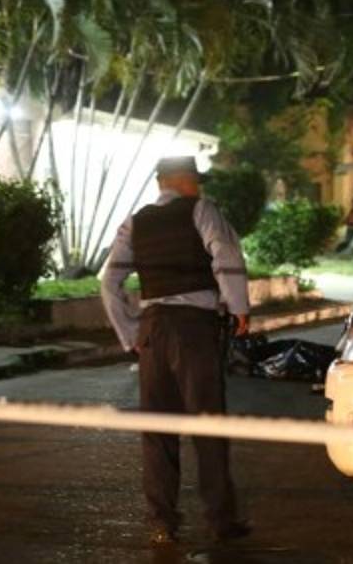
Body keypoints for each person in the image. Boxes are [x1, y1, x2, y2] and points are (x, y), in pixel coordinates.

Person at [100, 156, 252, 547]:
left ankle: (162, 522)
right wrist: (239, 308)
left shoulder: (135, 222)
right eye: (195, 180)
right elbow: (226, 256)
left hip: (153, 329)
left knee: (158, 431)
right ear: (182, 180)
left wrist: (130, 334)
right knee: (208, 425)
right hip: (193, 328)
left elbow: (109, 281)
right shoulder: (201, 210)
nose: (198, 187)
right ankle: (220, 520)